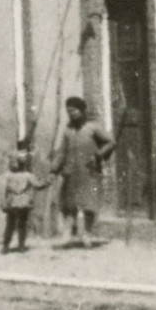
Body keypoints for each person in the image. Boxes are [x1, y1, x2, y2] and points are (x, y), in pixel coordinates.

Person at [50, 95, 116, 246]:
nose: (71, 114)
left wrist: (99, 155)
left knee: (89, 204)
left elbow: (110, 142)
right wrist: (54, 169)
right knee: (69, 205)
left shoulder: (93, 128)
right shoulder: (68, 131)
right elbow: (61, 152)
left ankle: (86, 234)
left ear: (82, 110)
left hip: (89, 172)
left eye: (74, 110)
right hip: (71, 173)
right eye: (69, 111)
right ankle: (67, 234)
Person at [0, 150, 46, 254]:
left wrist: (3, 202)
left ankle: (5, 246)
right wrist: (46, 182)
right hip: (24, 202)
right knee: (22, 225)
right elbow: (38, 185)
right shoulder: (27, 175)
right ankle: (21, 246)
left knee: (10, 224)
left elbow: (2, 190)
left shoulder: (6, 176)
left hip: (12, 202)